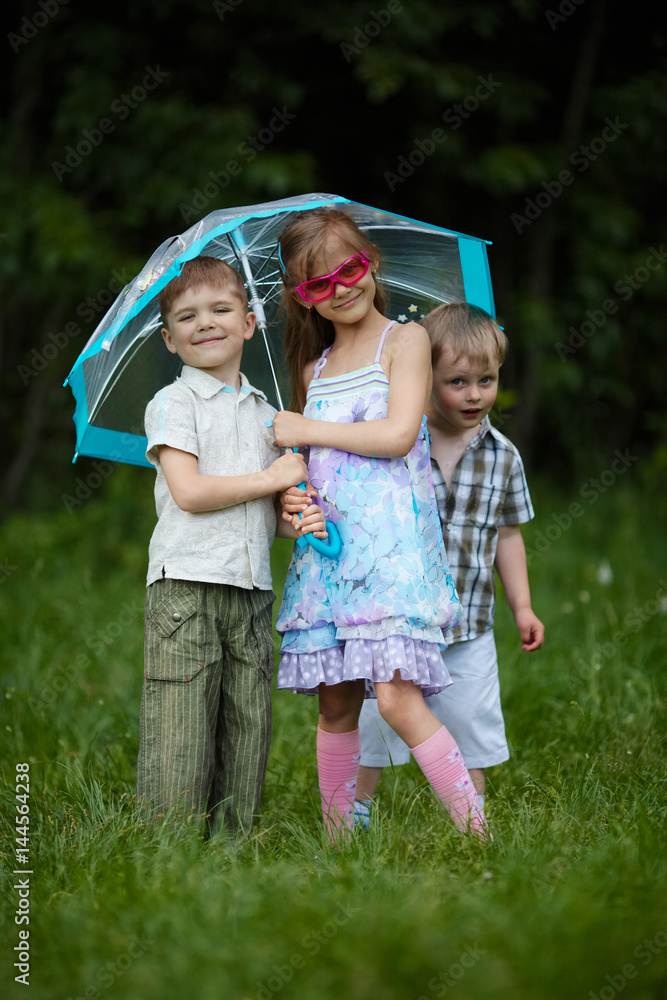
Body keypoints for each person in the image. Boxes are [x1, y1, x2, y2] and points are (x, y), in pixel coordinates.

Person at [271, 209, 487, 842]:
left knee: (394, 698)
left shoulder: (406, 341)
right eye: (319, 284)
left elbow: (396, 437)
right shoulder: (315, 371)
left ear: (370, 260)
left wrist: (304, 427)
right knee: (335, 702)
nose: (342, 288)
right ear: (302, 298)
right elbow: (319, 471)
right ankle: (340, 839)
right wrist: (295, 505)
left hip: (390, 554)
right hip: (333, 560)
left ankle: (479, 833)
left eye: (351, 268)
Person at [136, 256, 326, 835]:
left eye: (220, 310)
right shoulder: (175, 404)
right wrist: (271, 479)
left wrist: (298, 516)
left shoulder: (271, 417)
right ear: (170, 339)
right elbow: (190, 492)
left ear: (249, 322)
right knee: (183, 722)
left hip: (250, 589)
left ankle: (231, 845)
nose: (206, 323)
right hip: (186, 586)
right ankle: (167, 846)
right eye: (188, 317)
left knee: (248, 721)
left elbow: (270, 518)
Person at [354, 302, 545, 825]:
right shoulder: (401, 443)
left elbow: (508, 535)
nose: (475, 394)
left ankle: (470, 813)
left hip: (471, 624)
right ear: (424, 376)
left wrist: (522, 606)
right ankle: (357, 806)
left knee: (469, 722)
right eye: (457, 381)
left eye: (486, 380)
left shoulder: (503, 455)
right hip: (401, 619)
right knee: (376, 718)